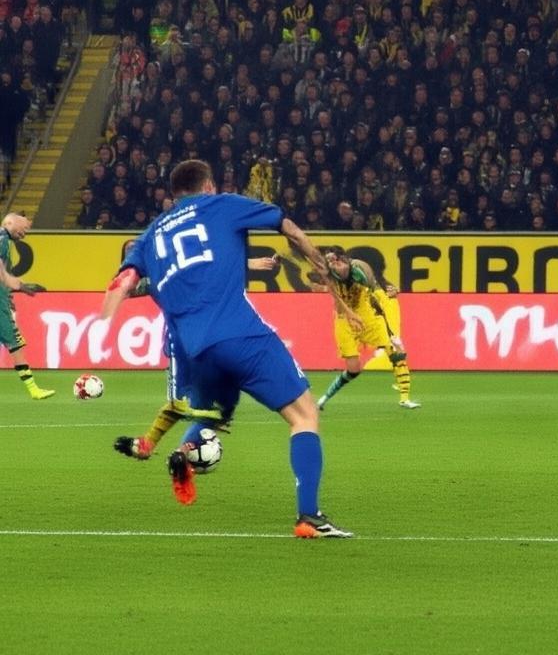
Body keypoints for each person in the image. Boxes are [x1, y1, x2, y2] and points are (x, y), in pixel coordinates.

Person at [102, 159, 352, 538]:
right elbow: (288, 228)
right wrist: (321, 265)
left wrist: (106, 316)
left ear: (174, 193)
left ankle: (181, 453)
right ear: (208, 186)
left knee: (215, 413)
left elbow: (123, 282)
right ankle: (309, 517)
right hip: (239, 334)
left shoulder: (151, 234)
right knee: (304, 416)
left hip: (194, 351)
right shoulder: (222, 204)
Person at [112, 252, 280, 461]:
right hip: (185, 342)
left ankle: (178, 448)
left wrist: (249, 263)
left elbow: (218, 262)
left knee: (201, 405)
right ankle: (168, 446)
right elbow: (127, 288)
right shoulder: (160, 276)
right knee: (184, 404)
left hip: (211, 340)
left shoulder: (186, 266)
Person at [313, 245, 420, 410]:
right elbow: (334, 297)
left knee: (395, 351)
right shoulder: (329, 275)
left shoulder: (360, 269)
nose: (333, 264)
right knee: (353, 369)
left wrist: (390, 292)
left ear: (344, 259)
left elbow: (377, 289)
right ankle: (324, 398)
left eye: (336, 259)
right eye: (330, 261)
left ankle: (405, 398)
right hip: (344, 322)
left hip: (367, 318)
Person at [0, 213, 52, 399]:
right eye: (24, 228)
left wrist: (9, 293)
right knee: (14, 343)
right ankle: (33, 389)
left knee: (15, 343)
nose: (25, 233)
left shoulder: (5, 241)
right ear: (11, 222)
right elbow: (2, 274)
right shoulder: (2, 240)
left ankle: (33, 389)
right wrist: (21, 286)